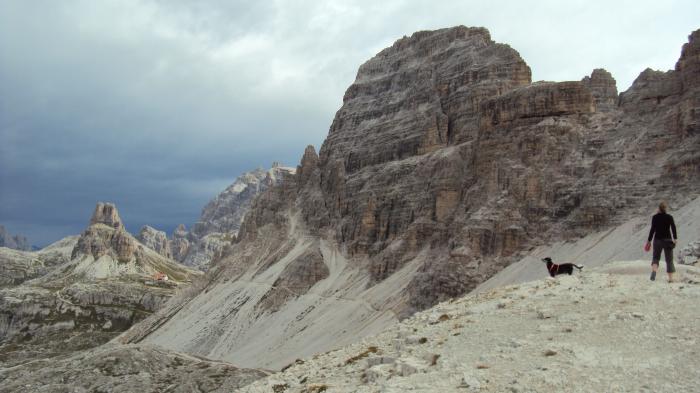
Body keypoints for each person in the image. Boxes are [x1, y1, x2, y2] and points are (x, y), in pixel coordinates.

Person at [645, 202, 677, 282]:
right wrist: (675, 238)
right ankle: (670, 279)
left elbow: (652, 229)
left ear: (659, 209)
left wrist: (649, 240)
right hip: (668, 240)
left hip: (657, 240)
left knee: (656, 257)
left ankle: (654, 271)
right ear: (665, 209)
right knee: (669, 259)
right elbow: (673, 227)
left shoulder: (655, 217)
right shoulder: (669, 217)